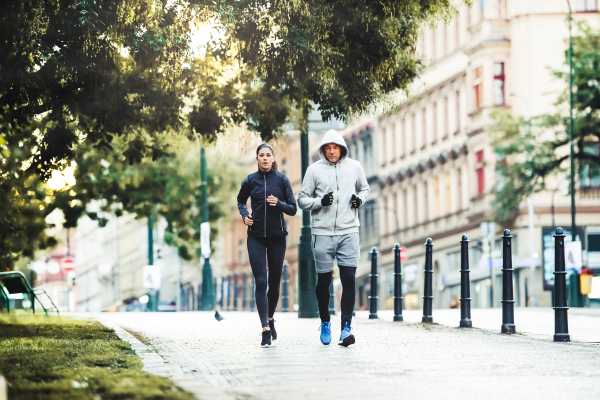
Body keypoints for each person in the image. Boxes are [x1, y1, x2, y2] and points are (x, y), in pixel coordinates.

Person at [297, 129, 370, 347]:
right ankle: (325, 321)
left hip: (349, 231)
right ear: (323, 150)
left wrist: (360, 199)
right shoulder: (314, 170)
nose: (331, 152)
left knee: (349, 279)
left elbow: (365, 189)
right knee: (324, 282)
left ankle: (346, 328)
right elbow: (302, 200)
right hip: (323, 232)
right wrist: (320, 202)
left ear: (342, 148)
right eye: (327, 148)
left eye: (335, 147)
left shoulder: (355, 167)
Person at [237, 143, 297, 348]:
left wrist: (278, 203)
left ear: (272, 159)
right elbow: (240, 201)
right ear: (257, 159)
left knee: (274, 282)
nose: (264, 158)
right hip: (255, 237)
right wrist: (245, 215)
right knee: (261, 281)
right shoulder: (250, 181)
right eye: (261, 155)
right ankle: (264, 328)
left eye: (268, 155)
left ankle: (270, 318)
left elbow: (293, 209)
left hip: (277, 237)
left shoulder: (282, 181)